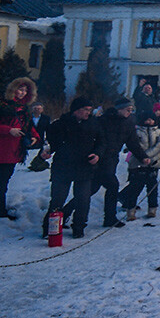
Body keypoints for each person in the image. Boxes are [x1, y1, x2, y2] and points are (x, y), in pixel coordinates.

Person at [41, 97, 102, 238]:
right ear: (76, 110)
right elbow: (50, 144)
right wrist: (45, 152)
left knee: (83, 200)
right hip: (63, 167)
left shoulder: (94, 124)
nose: (88, 113)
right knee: (57, 200)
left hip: (85, 167)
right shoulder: (60, 124)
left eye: (90, 110)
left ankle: (79, 228)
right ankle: (49, 229)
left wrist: (97, 154)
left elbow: (101, 142)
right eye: (85, 110)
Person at [0, 77, 36, 219]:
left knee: (3, 181)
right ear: (13, 90)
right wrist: (9, 130)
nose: (22, 93)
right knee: (0, 181)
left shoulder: (24, 110)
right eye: (20, 89)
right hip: (1, 149)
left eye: (25, 91)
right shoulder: (1, 106)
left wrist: (34, 136)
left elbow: (29, 126)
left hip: (14, 151)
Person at [94, 97, 139, 228]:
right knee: (112, 186)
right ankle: (109, 217)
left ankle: (109, 217)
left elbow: (133, 143)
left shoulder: (128, 122)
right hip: (99, 158)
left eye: (131, 110)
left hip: (112, 159)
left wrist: (143, 157)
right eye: (127, 110)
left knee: (94, 188)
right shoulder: (104, 120)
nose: (129, 112)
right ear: (119, 109)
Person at [120, 110, 160, 221]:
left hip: (153, 163)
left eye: (151, 119)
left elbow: (159, 145)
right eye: (147, 119)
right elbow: (134, 145)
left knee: (152, 188)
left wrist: (147, 156)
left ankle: (152, 209)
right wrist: (142, 157)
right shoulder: (136, 131)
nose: (149, 122)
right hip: (137, 164)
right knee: (135, 188)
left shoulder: (158, 132)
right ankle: (131, 210)